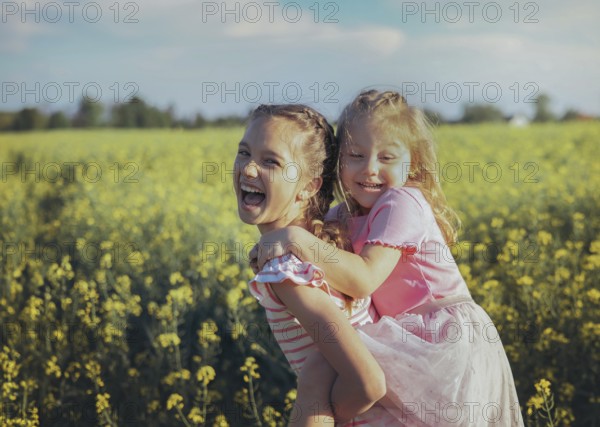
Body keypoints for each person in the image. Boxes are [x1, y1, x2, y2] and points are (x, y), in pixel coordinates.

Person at [252, 90, 525, 426]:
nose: (370, 169)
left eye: (387, 158)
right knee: (327, 372)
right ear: (338, 162)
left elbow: (363, 278)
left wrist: (294, 238)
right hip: (407, 335)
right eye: (355, 155)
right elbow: (321, 240)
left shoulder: (401, 202)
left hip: (440, 337)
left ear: (413, 162)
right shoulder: (348, 213)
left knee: (322, 374)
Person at [235, 103, 402, 426]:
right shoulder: (330, 241)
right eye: (244, 153)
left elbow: (368, 383)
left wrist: (312, 410)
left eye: (270, 161)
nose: (249, 169)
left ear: (310, 186)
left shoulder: (287, 270)